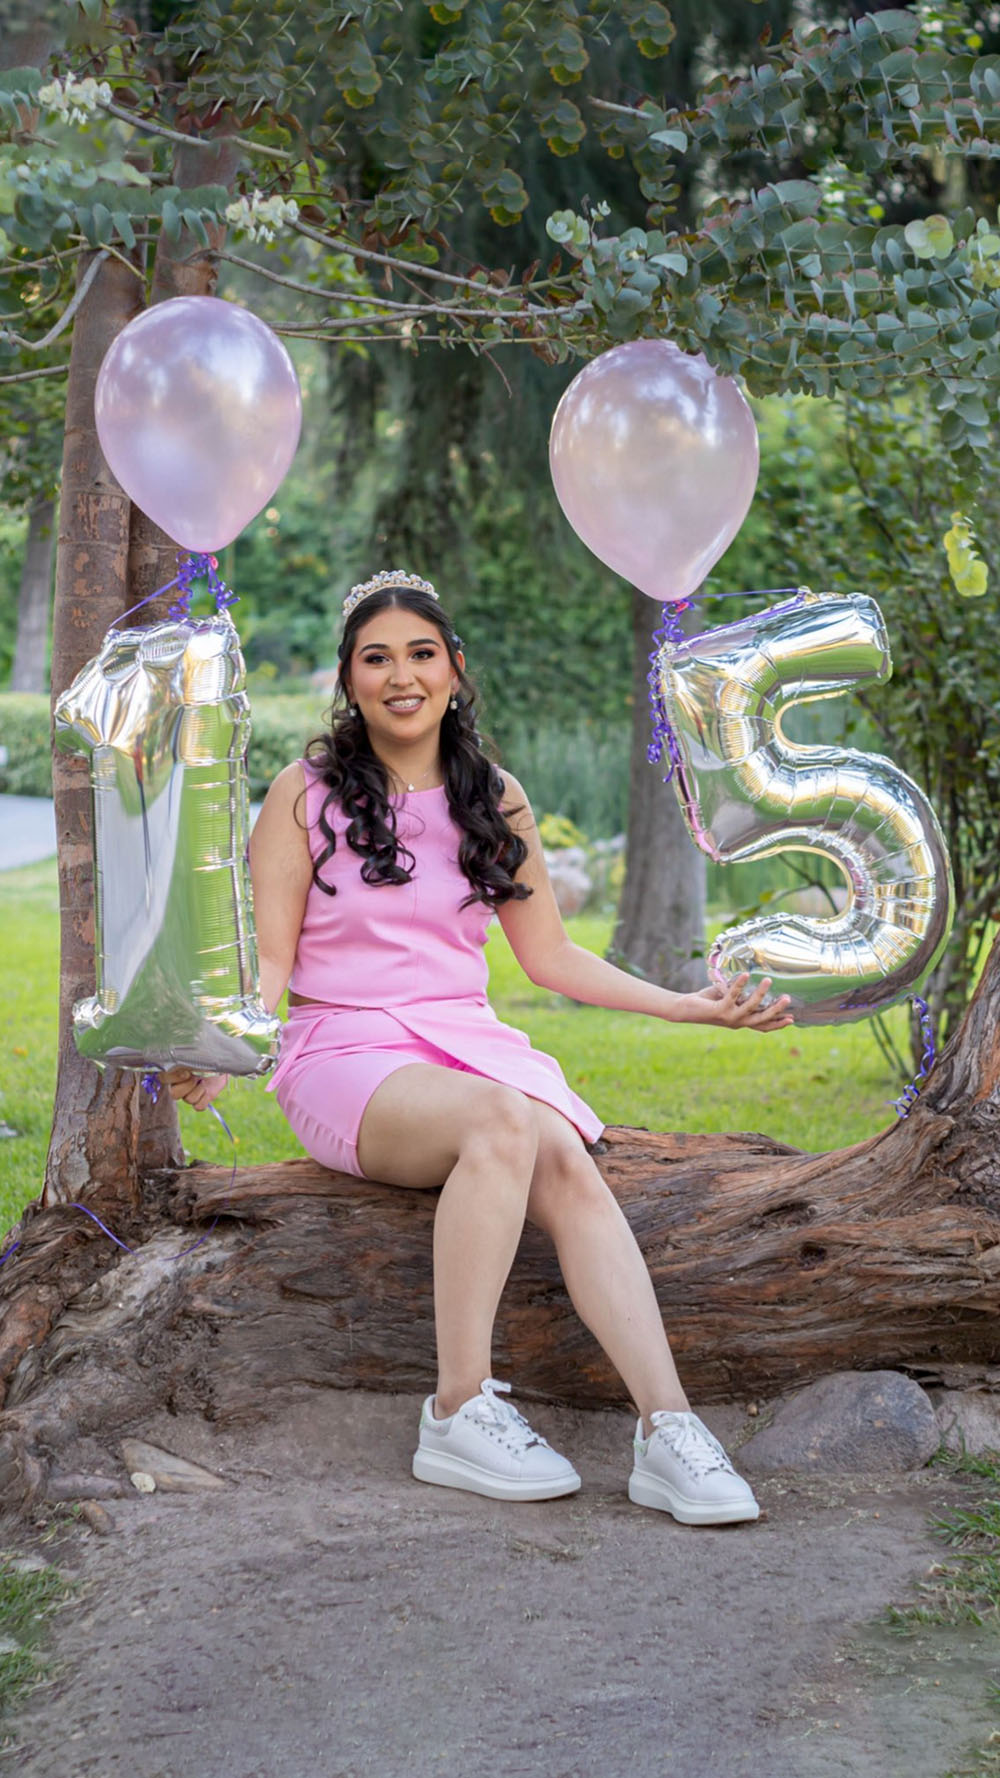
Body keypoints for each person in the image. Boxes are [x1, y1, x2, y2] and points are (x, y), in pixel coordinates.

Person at [170, 569, 793, 1527]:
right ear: (348, 681)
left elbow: (550, 958)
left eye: (422, 654)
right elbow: (273, 964)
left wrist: (686, 1008)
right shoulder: (302, 794)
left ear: (456, 669)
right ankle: (457, 1410)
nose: (401, 676)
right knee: (507, 1122)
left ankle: (668, 1429)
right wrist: (227, 1048)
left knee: (566, 1159)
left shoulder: (496, 797)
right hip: (341, 1051)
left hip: (465, 1044)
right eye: (376, 659)